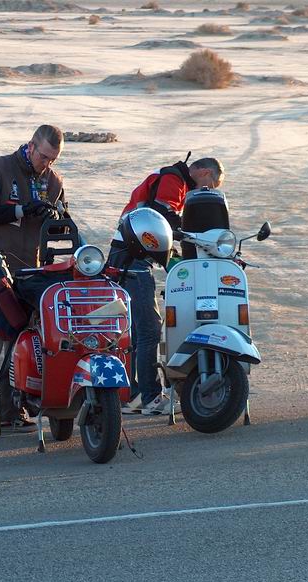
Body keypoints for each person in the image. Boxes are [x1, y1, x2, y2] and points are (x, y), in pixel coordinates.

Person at [0, 124, 68, 432]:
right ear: (31, 146)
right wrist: (21, 210)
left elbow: (65, 223)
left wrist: (56, 218)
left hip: (30, 272)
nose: (46, 164)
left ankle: (11, 409)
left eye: (53, 159)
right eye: (44, 156)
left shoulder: (55, 181)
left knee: (22, 342)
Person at [108, 156, 224, 416]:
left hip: (127, 255)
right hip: (133, 259)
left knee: (135, 332)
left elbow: (159, 227)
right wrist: (198, 233)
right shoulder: (174, 180)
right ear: (204, 172)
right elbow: (163, 218)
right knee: (149, 330)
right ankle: (150, 397)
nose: (207, 190)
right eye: (210, 185)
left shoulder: (169, 178)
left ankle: (132, 396)